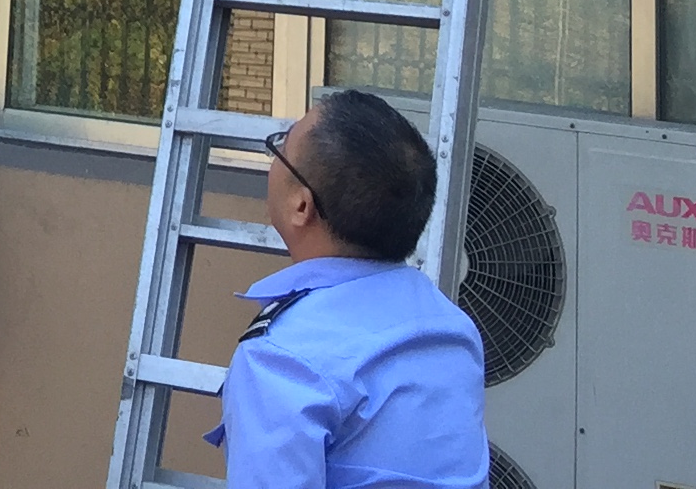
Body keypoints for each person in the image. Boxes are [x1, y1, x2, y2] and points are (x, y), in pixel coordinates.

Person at [208, 91, 489, 488]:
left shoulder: (283, 359)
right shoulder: (452, 327)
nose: (275, 156)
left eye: (282, 146)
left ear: (302, 206)